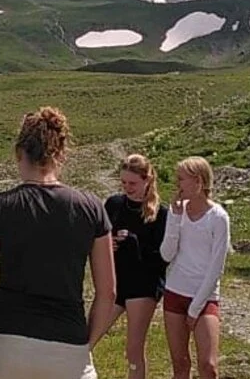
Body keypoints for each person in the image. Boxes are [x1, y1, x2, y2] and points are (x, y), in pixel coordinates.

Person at [0, 108, 114, 379]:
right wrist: (85, 345)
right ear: (61, 153)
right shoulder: (92, 208)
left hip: (3, 340)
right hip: (68, 343)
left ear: (19, 152)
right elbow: (108, 293)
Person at [160, 157, 229, 379]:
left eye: (181, 179)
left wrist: (195, 308)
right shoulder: (177, 211)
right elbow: (166, 254)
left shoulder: (218, 217)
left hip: (205, 296)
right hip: (175, 291)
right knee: (180, 364)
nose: (177, 184)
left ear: (198, 181)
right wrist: (174, 219)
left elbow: (216, 267)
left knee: (208, 366)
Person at [99, 155, 167, 379]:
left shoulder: (160, 214)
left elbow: (161, 259)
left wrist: (133, 243)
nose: (127, 188)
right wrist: (108, 244)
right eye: (124, 182)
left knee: (133, 349)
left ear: (147, 180)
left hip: (143, 284)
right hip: (116, 280)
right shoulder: (114, 204)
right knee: (88, 336)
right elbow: (99, 237)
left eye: (133, 183)